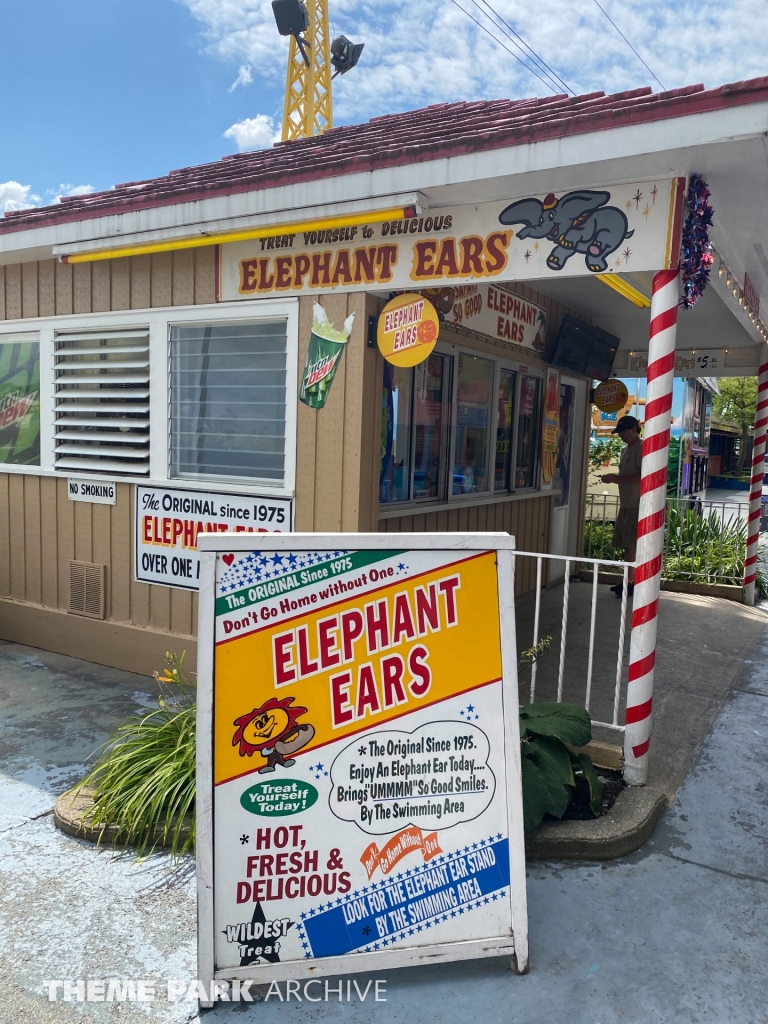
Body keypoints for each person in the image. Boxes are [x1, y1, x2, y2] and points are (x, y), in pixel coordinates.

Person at [601, 415, 643, 598]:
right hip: (626, 503)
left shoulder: (642, 449)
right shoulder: (626, 450)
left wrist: (616, 479)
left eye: (623, 432)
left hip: (636, 504)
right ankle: (628, 579)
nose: (621, 436)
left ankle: (632, 582)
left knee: (631, 544)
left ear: (633, 429)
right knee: (626, 545)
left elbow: (643, 476)